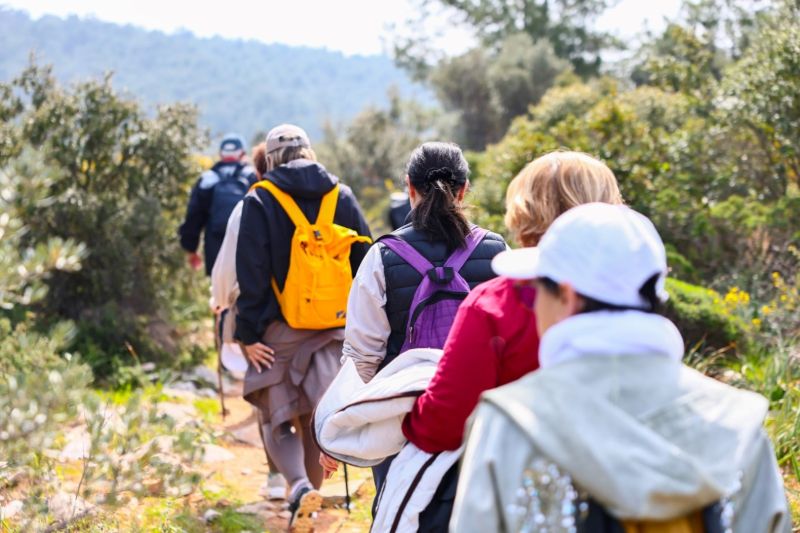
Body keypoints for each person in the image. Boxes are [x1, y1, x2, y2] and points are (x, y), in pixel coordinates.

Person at [450, 203, 791, 532]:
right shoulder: (737, 426)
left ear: (567, 296)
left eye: (535, 291)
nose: (535, 305)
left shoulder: (511, 423)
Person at [399, 151, 623, 527]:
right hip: (619, 495)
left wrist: (405, 415)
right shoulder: (636, 296)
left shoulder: (497, 304)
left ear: (524, 210)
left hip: (521, 501)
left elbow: (444, 425)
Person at [332, 141, 507, 523]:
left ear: (410, 187)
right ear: (464, 190)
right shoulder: (497, 251)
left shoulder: (383, 256)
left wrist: (342, 422)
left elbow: (362, 356)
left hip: (403, 415)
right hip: (479, 413)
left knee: (402, 511)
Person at [235, 124, 372, 532]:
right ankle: (309, 505)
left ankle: (297, 487)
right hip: (334, 327)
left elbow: (251, 271)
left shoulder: (261, 198)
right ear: (309, 152)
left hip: (280, 328)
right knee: (316, 412)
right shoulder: (341, 195)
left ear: (271, 159)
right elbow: (366, 260)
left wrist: (248, 334)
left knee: (275, 414)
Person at [179, 133, 258, 275]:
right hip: (247, 248)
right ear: (242, 154)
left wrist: (191, 248)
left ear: (221, 154)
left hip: (215, 247)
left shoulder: (207, 179)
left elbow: (193, 216)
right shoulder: (253, 177)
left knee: (218, 286)